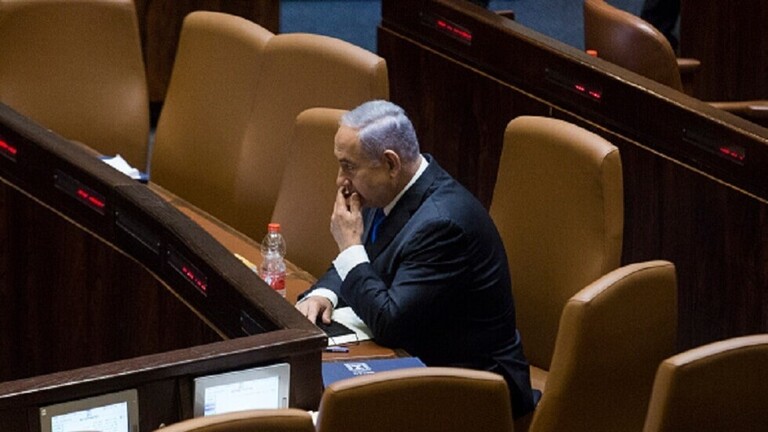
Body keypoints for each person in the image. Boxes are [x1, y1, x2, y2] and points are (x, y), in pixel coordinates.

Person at [296, 100, 535, 418]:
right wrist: (324, 293)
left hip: (475, 390)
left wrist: (349, 246)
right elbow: (363, 261)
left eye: (349, 167)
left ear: (390, 163)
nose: (341, 180)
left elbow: (389, 323)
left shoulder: (442, 224)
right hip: (418, 359)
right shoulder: (391, 193)